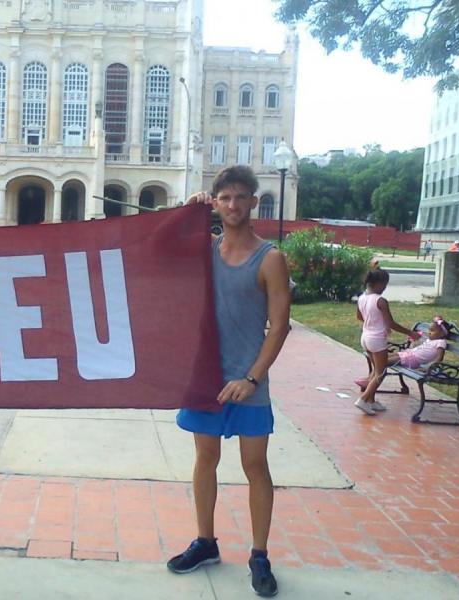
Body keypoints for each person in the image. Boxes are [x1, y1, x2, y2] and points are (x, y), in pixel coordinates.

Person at [166, 166, 291, 598]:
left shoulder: (270, 258)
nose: (233, 205)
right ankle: (206, 542)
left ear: (254, 202)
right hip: (205, 376)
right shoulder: (207, 250)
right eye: (224, 198)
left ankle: (259, 553)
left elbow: (279, 327)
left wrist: (252, 378)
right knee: (205, 458)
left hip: (249, 380)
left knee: (255, 466)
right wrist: (188, 210)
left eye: (241, 197)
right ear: (215, 202)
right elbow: (163, 245)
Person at [355, 267, 419, 415]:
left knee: (375, 370)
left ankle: (371, 401)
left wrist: (374, 322)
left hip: (365, 337)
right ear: (379, 284)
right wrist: (410, 333)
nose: (385, 288)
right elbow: (391, 323)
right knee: (381, 372)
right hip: (377, 340)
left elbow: (360, 317)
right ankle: (363, 400)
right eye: (385, 285)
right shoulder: (380, 300)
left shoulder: (362, 298)